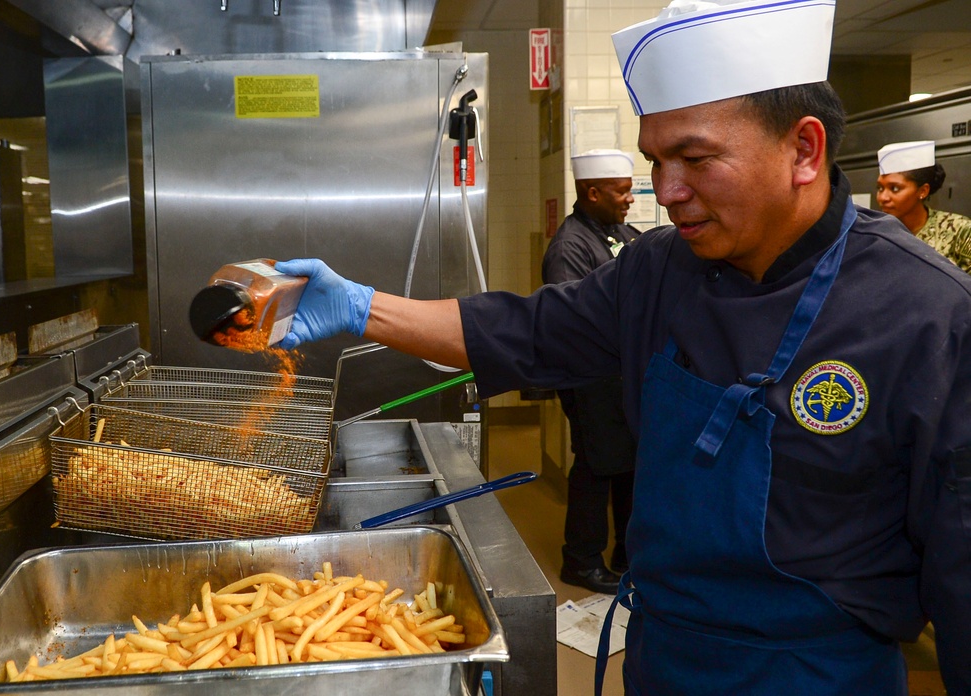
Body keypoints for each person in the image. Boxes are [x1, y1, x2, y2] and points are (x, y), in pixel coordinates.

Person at [270, 0, 971, 693]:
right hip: (664, 656)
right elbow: (520, 332)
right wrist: (362, 308)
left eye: (695, 159)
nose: (666, 192)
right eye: (656, 161)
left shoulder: (926, 311)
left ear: (804, 150)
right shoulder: (660, 268)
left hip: (815, 673)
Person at [543, 148, 639, 594]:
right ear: (593, 192)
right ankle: (580, 561)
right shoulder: (570, 245)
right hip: (590, 377)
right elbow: (573, 317)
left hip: (623, 375)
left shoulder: (621, 232)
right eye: (622, 192)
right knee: (596, 466)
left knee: (627, 464)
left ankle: (626, 553)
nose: (630, 199)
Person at [876, 140, 971, 271]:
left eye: (895, 189)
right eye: (880, 188)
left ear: (923, 191)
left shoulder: (959, 230)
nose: (883, 197)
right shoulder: (876, 233)